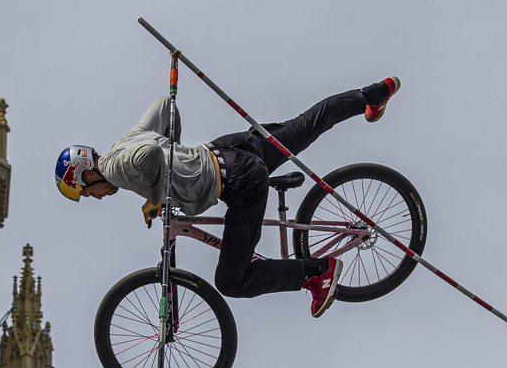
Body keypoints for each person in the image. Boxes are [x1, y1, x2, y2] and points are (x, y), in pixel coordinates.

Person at [56, 76, 399, 317]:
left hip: (239, 179)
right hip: (231, 148)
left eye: (88, 194)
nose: (97, 198)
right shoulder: (123, 143)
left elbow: (150, 156)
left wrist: (157, 196)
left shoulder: (114, 167)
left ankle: (317, 272)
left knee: (232, 281)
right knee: (306, 125)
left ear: (87, 174)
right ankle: (370, 96)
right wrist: (177, 158)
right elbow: (165, 106)